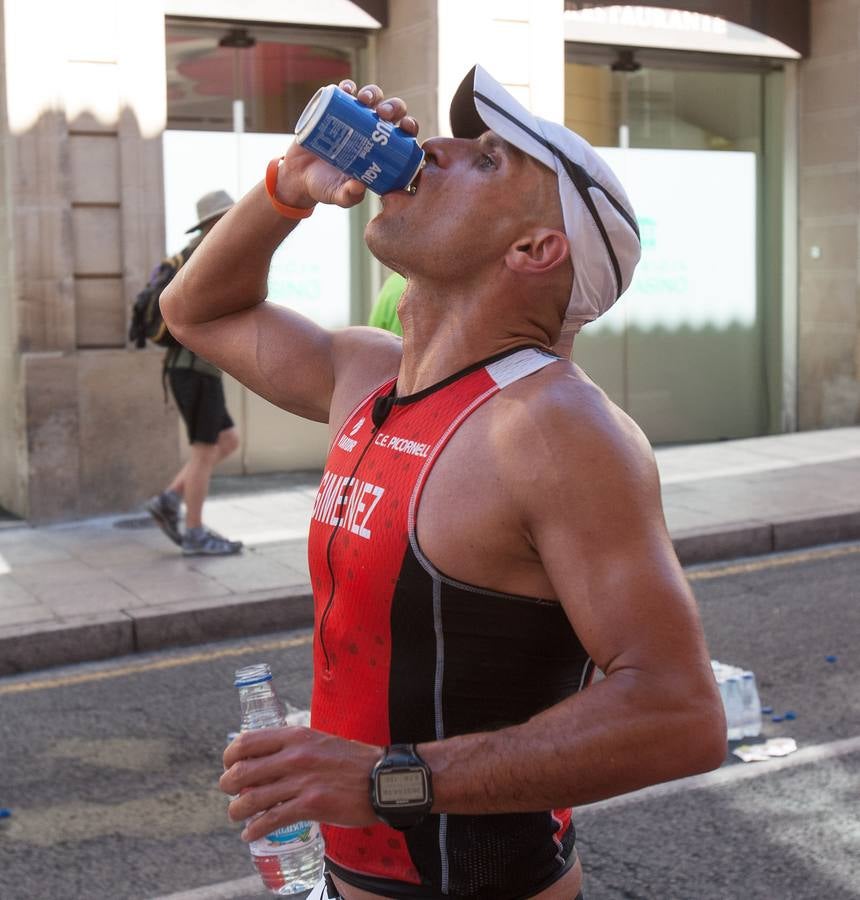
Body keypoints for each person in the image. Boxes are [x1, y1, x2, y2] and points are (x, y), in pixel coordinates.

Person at [162, 66, 726, 900]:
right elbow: (197, 312)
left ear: (535, 251)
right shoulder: (369, 374)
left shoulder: (554, 427)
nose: (434, 146)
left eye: (489, 162)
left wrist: (393, 779)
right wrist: (289, 187)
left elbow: (679, 715)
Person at [145, 190, 243, 557]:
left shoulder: (196, 256)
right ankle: (195, 532)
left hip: (195, 370)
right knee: (205, 451)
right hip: (195, 370)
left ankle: (168, 500)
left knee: (227, 440)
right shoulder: (207, 259)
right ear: (213, 223)